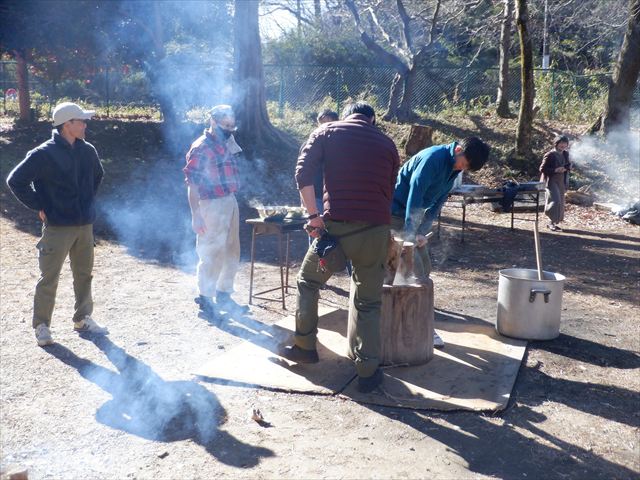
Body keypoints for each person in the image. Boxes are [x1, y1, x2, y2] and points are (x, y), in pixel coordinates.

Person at [281, 101, 400, 393]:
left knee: (308, 282)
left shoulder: (326, 131)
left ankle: (305, 346)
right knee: (369, 301)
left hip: (335, 230)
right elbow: (389, 187)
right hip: (374, 231)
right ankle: (368, 373)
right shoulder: (387, 143)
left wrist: (312, 216)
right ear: (371, 120)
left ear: (346, 116)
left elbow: (302, 173)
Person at [6, 102, 108, 346]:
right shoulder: (43, 153)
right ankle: (42, 325)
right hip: (57, 227)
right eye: (81, 120)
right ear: (67, 125)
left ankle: (83, 318)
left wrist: (85, 202)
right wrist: (41, 206)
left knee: (84, 274)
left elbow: (98, 175)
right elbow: (15, 180)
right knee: (49, 277)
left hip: (84, 225)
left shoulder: (88, 150)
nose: (85, 124)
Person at [391, 137, 490, 348]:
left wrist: (422, 231)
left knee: (424, 267)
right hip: (395, 211)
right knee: (414, 268)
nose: (462, 168)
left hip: (412, 216)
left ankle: (410, 316)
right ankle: (420, 325)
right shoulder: (432, 159)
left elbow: (437, 203)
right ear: (458, 149)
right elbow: (414, 195)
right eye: (464, 163)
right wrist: (410, 234)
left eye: (467, 168)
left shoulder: (455, 168)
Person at [184, 104, 249, 319]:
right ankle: (205, 297)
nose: (229, 129)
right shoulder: (201, 147)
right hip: (210, 203)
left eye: (232, 125)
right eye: (225, 125)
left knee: (231, 249)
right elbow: (192, 185)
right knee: (211, 250)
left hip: (229, 200)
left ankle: (223, 293)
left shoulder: (227, 142)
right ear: (213, 121)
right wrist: (196, 214)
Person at [540, 135, 571, 231]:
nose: (563, 145)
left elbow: (568, 165)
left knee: (561, 201)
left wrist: (565, 168)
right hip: (551, 180)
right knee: (555, 200)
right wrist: (555, 170)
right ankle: (550, 222)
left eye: (565, 143)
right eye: (561, 143)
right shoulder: (550, 154)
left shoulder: (565, 154)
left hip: (561, 180)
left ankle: (554, 222)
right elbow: (542, 168)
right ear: (556, 143)